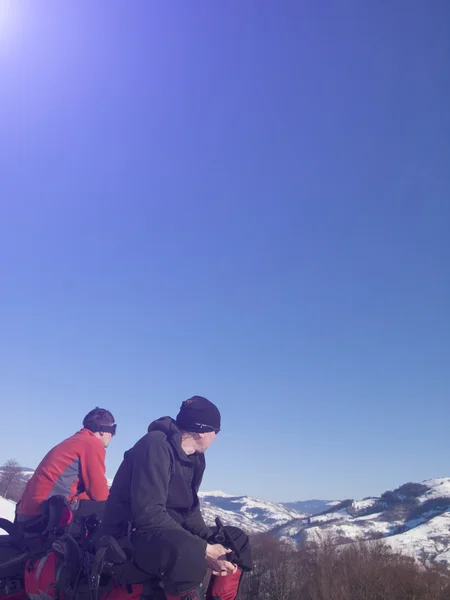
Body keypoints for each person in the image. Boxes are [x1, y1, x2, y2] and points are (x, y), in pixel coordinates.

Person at [102, 396, 245, 600]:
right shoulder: (155, 446)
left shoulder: (195, 457)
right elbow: (148, 514)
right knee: (187, 553)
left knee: (236, 540)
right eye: (216, 431)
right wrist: (203, 548)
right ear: (202, 431)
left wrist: (209, 539)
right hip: (128, 534)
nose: (216, 437)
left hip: (161, 530)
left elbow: (189, 509)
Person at [16, 407, 116, 529]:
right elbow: (99, 493)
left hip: (27, 511)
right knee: (111, 508)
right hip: (44, 513)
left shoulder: (75, 441)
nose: (112, 436)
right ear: (102, 430)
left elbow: (78, 489)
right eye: (113, 430)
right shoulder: (92, 444)